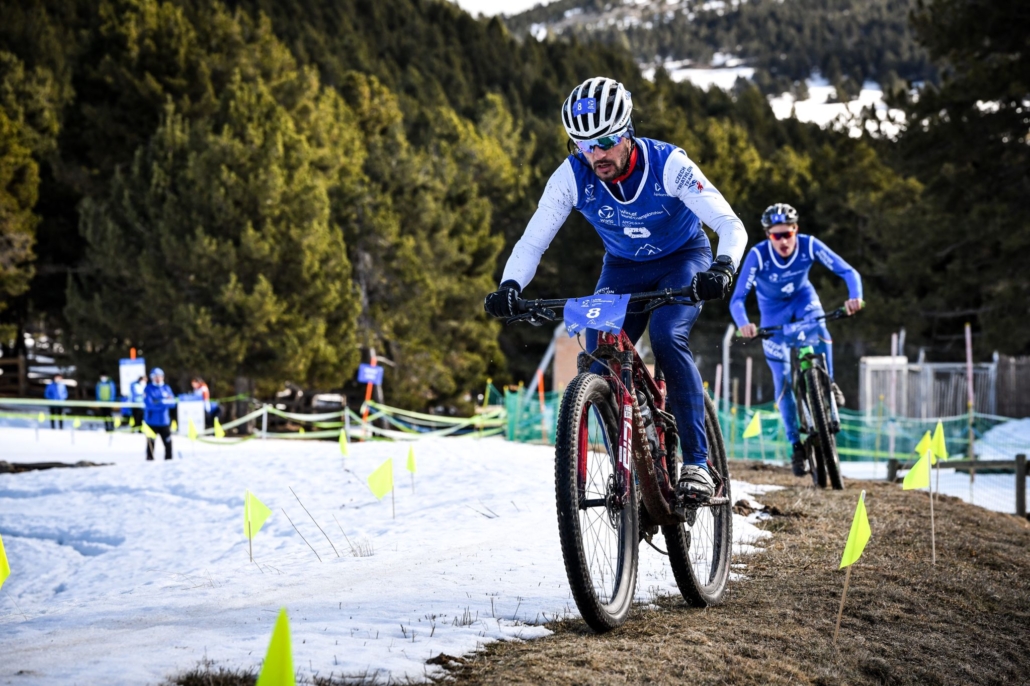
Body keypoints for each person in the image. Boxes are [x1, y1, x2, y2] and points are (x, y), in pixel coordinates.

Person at [484, 77, 748, 499]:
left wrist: (722, 268)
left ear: (626, 131)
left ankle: (697, 463)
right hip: (622, 268)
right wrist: (509, 285)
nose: (595, 155)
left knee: (665, 336)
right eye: (582, 144)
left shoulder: (669, 164)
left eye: (605, 141)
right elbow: (533, 241)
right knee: (598, 354)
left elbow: (730, 225)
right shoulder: (571, 176)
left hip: (683, 259)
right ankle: (632, 462)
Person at [730, 203, 864, 477]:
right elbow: (737, 300)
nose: (783, 241)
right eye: (776, 236)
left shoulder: (809, 245)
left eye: (787, 234)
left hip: (804, 302)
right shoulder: (758, 255)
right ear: (768, 235)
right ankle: (796, 446)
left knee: (821, 330)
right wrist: (744, 324)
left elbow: (849, 272)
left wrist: (854, 297)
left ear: (795, 231)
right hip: (772, 314)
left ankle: (828, 384)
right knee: (783, 382)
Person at [143, 368, 176, 460]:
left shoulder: (166, 388)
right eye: (155, 377)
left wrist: (158, 402)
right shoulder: (148, 388)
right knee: (150, 445)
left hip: (164, 421)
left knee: (168, 443)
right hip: (151, 422)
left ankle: (169, 461)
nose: (158, 378)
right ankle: (149, 462)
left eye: (160, 376)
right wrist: (164, 403)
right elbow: (149, 405)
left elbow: (172, 403)